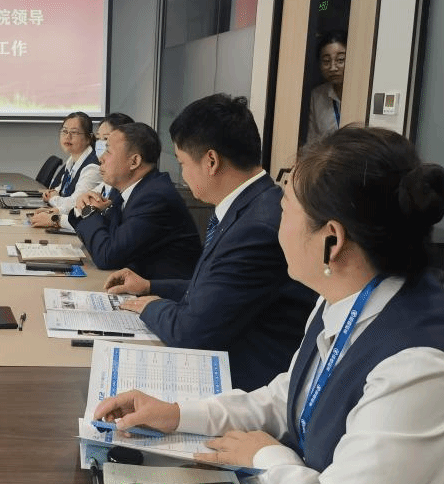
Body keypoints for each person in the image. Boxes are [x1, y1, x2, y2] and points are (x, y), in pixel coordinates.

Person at [94, 126, 444, 484]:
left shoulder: (422, 370)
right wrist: (177, 414)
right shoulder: (347, 299)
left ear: (330, 241)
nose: (274, 220)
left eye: (286, 208)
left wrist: (267, 457)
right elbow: (289, 395)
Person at [103, 94, 316, 390]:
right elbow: (216, 292)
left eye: (182, 163)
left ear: (211, 161)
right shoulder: (252, 204)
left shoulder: (256, 228)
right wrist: (150, 286)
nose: (182, 173)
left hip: (248, 384)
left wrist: (150, 306)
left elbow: (191, 332)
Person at [70, 122, 200, 279]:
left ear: (134, 162)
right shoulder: (126, 190)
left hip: (163, 290)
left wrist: (89, 211)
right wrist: (86, 206)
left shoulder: (155, 197)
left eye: (108, 151)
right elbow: (106, 239)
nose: (101, 158)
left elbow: (107, 255)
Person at [29, 112, 101, 228]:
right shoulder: (72, 160)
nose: (68, 136)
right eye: (64, 131)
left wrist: (53, 199)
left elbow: (75, 203)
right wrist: (54, 195)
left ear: (89, 138)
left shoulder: (92, 168)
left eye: (74, 132)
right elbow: (63, 188)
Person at [306, 30, 347, 144]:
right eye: (326, 61)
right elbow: (312, 140)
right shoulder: (317, 95)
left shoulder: (363, 93)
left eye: (340, 60)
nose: (333, 68)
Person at [95, 112, 133, 198]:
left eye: (106, 138)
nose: (100, 144)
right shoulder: (107, 179)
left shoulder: (123, 182)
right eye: (98, 138)